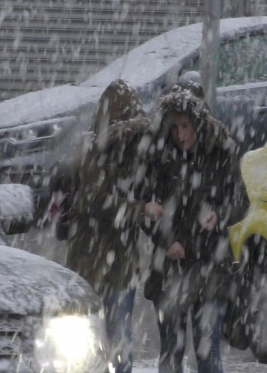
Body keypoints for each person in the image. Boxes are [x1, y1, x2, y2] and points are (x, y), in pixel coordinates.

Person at [53, 78, 153, 373]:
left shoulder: (136, 151)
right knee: (84, 344)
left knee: (120, 342)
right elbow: (96, 202)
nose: (126, 132)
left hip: (119, 268)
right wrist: (139, 209)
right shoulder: (92, 152)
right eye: (122, 122)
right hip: (91, 267)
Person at [144, 84, 241, 373]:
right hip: (170, 271)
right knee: (171, 354)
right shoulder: (160, 157)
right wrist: (166, 241)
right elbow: (145, 209)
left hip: (211, 267)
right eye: (174, 128)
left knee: (207, 355)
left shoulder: (221, 152)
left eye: (185, 126)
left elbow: (241, 201)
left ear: (197, 123)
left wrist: (219, 215)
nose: (180, 134)